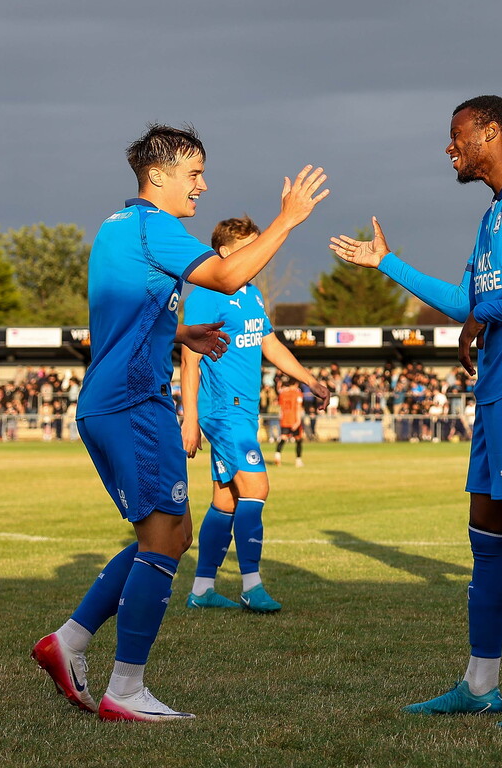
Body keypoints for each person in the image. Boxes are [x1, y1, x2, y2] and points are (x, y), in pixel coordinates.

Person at [31, 124, 328, 723]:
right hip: (134, 404)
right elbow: (224, 275)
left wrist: (181, 332)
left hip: (114, 401)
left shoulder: (117, 227)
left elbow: (124, 315)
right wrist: (288, 219)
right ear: (158, 175)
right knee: (165, 539)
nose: (203, 185)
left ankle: (69, 641)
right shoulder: (155, 227)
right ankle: (125, 690)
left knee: (168, 536)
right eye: (194, 174)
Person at [330, 95, 502, 729]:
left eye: (458, 136)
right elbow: (466, 302)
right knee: (486, 532)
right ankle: (480, 684)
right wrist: (385, 263)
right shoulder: (495, 213)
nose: (450, 148)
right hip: (499, 390)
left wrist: (488, 315)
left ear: (490, 133)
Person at [180, 216, 329, 613]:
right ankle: (251, 584)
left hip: (243, 410)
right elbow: (189, 359)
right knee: (257, 488)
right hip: (223, 410)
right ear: (226, 252)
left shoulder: (252, 294)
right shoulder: (207, 293)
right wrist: (190, 418)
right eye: (251, 246)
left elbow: (269, 343)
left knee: (226, 500)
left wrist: (309, 379)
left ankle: (201, 589)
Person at [275, 377, 306, 467]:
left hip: (284, 419)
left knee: (283, 438)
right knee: (298, 440)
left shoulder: (283, 393)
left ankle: (277, 455)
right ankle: (298, 460)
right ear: (296, 384)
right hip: (294, 419)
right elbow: (298, 408)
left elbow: (280, 406)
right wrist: (298, 421)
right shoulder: (298, 394)